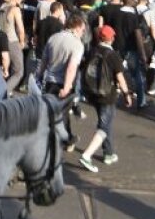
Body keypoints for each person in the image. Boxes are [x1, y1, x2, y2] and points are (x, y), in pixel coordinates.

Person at [78, 25, 133, 172]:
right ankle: (87, 155)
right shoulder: (113, 55)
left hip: (92, 93)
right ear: (111, 38)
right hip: (107, 95)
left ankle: (108, 153)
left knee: (106, 122)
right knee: (103, 126)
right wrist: (127, 94)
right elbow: (120, 77)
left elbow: (82, 67)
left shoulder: (92, 51)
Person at [38, 13, 86, 151]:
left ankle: (64, 138)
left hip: (49, 80)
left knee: (52, 111)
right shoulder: (77, 44)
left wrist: (40, 76)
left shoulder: (54, 38)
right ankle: (65, 140)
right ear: (76, 27)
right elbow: (71, 67)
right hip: (62, 83)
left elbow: (44, 59)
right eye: (82, 30)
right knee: (62, 113)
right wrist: (67, 86)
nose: (83, 33)